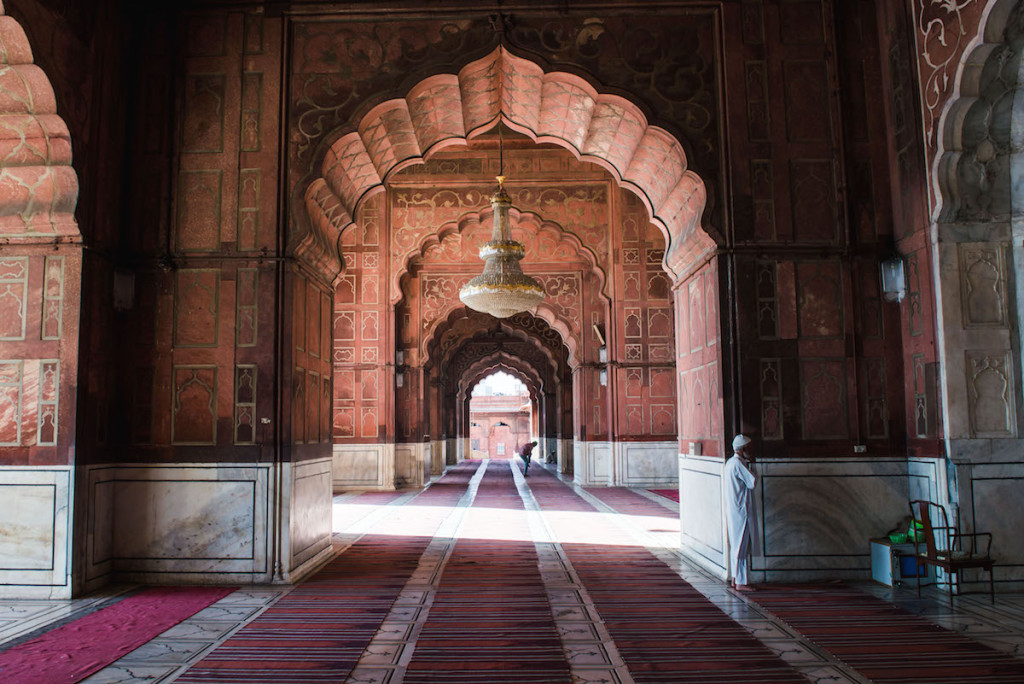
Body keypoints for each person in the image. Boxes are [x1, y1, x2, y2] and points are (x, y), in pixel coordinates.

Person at [725, 434, 758, 592]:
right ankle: (741, 582)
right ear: (743, 448)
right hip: (741, 511)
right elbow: (752, 483)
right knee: (741, 546)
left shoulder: (731, 463)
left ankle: (736, 578)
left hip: (735, 509)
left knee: (737, 545)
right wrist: (754, 467)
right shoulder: (738, 464)